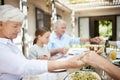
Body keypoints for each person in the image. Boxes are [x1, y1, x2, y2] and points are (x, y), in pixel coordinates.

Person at [0, 5, 85, 80]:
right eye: (15, 26)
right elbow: (24, 66)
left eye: (20, 26)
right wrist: (66, 63)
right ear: (1, 24)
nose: (18, 30)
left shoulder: (9, 43)